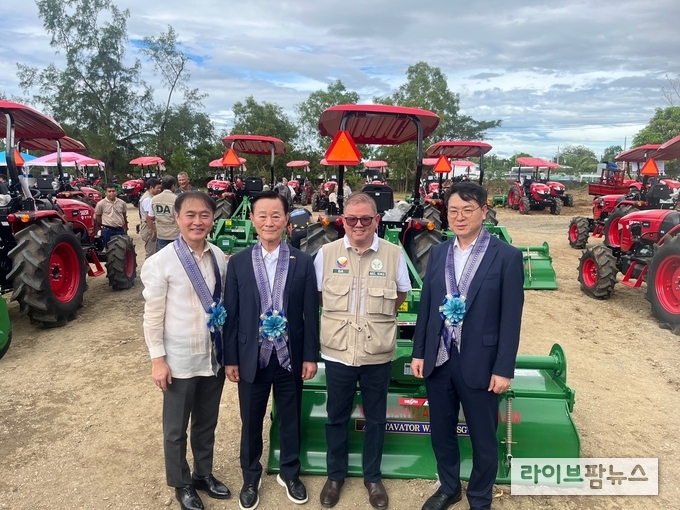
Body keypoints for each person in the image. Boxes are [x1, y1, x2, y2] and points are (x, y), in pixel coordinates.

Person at [411, 181, 524, 510]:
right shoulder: (438, 252)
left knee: (483, 437)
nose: (459, 217)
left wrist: (503, 368)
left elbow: (510, 318)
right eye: (453, 211)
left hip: (481, 362)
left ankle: (479, 496)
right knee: (441, 430)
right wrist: (419, 351)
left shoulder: (506, 257)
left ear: (484, 211)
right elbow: (427, 306)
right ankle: (449, 487)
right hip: (440, 359)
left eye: (467, 210)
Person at [314, 192, 411, 510]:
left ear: (377, 220)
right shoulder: (326, 254)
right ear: (342, 220)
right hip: (338, 352)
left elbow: (400, 295)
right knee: (336, 417)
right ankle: (335, 477)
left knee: (376, 419)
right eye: (352, 219)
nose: (358, 224)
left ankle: (373, 478)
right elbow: (319, 296)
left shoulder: (394, 255)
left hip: (376, 353)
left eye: (365, 219)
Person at [224, 190, 319, 510]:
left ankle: (290, 473)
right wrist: (231, 358)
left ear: (286, 220)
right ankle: (250, 477)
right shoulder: (238, 263)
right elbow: (232, 314)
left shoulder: (302, 262)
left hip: (290, 357)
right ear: (252, 219)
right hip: (252, 358)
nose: (269, 222)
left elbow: (310, 313)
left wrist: (310, 355)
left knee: (290, 418)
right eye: (262, 215)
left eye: (276, 215)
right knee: (251, 421)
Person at [141, 191, 230, 510]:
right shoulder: (160, 263)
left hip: (212, 357)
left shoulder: (218, 255)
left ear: (213, 218)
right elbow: (153, 315)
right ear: (177, 217)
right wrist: (157, 359)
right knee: (175, 428)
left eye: (204, 215)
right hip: (178, 360)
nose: (197, 221)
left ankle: (203, 474)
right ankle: (181, 483)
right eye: (190, 215)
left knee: (206, 422)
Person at [149, 176, 180, 250]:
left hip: (161, 234)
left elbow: (151, 217)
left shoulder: (154, 199)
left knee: (163, 254)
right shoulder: (176, 199)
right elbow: (180, 216)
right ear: (173, 186)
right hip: (174, 233)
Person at [95, 183, 128, 247]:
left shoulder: (122, 203)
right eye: (109, 191)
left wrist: (126, 227)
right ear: (105, 193)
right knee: (109, 249)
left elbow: (124, 215)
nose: (112, 193)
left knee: (123, 248)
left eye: (113, 191)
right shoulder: (101, 204)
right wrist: (103, 223)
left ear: (116, 192)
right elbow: (98, 216)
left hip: (120, 230)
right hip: (107, 231)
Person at [139, 178, 162, 259]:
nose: (159, 190)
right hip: (149, 228)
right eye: (158, 188)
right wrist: (154, 231)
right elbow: (148, 217)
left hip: (149, 227)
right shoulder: (148, 199)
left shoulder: (149, 197)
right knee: (151, 255)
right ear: (151, 187)